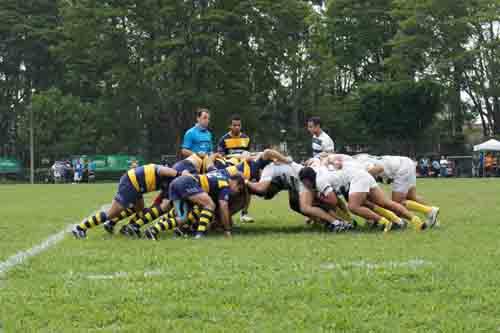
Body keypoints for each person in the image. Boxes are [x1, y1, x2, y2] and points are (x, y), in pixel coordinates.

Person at [72, 164, 186, 239]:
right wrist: (180, 174)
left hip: (137, 186)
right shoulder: (173, 174)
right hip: (131, 183)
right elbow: (161, 169)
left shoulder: (172, 184)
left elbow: (162, 203)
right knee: (111, 213)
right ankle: (80, 228)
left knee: (139, 208)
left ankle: (113, 224)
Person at [144, 172, 245, 240]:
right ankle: (200, 234)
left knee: (183, 217)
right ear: (236, 183)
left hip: (176, 182)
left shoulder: (220, 176)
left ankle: (154, 229)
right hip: (187, 183)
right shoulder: (226, 186)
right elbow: (223, 206)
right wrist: (227, 230)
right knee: (210, 205)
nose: (236, 192)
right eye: (239, 189)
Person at [354, 154, 440, 228]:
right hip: (405, 162)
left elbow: (379, 168)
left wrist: (367, 179)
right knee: (412, 197)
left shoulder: (358, 164)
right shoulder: (359, 158)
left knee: (397, 203)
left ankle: (430, 211)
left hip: (402, 169)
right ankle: (432, 216)